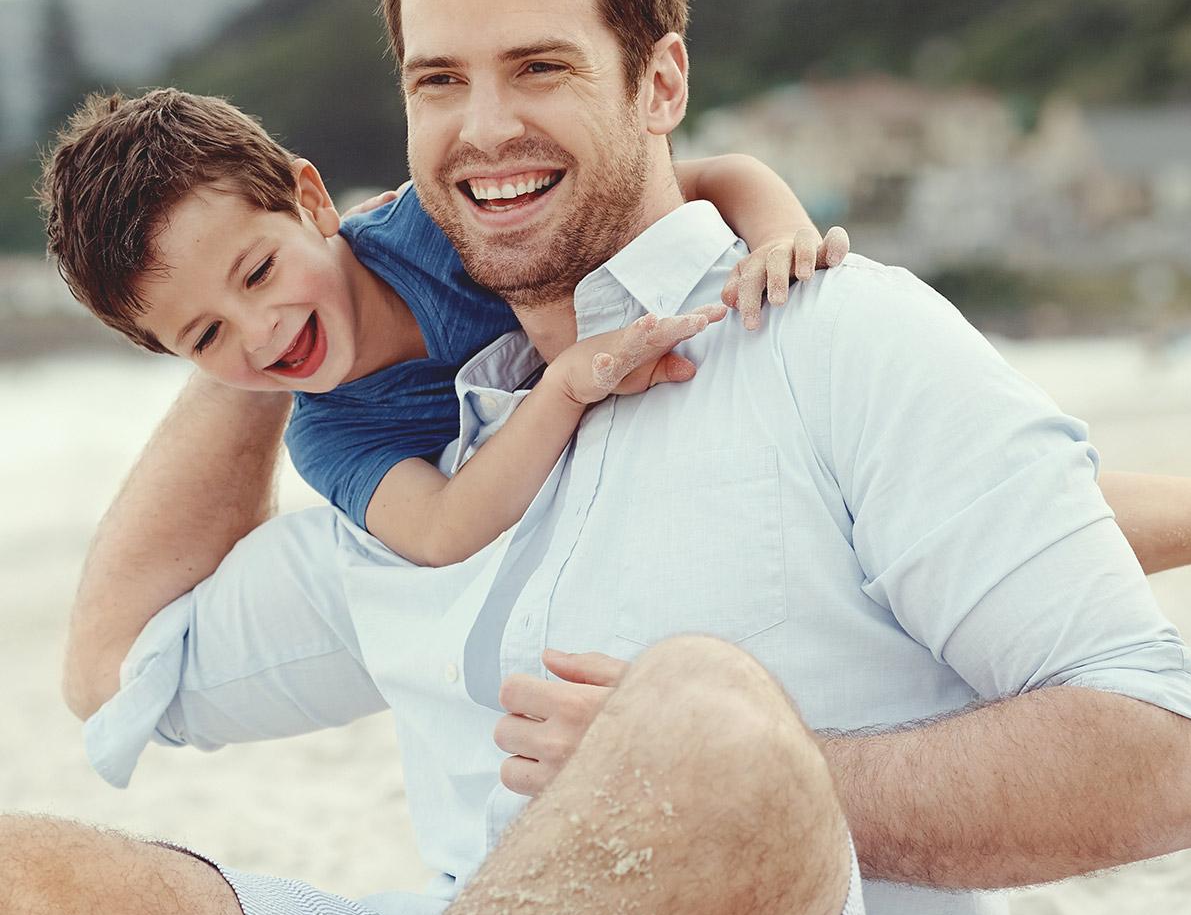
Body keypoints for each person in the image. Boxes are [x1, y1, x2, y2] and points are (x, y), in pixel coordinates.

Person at [5, 0, 1191, 915]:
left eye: (539, 66)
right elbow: (114, 673)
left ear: (660, 82)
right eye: (439, 84)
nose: (482, 130)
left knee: (699, 721)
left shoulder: (829, 337)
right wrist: (252, 308)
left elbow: (1161, 756)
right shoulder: (410, 454)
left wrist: (713, 789)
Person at [39, 87, 846, 567]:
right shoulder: (329, 436)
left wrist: (779, 237)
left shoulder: (436, 220)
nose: (260, 332)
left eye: (259, 273)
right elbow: (439, 528)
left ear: (313, 201)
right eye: (206, 338)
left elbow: (713, 175)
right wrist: (563, 387)